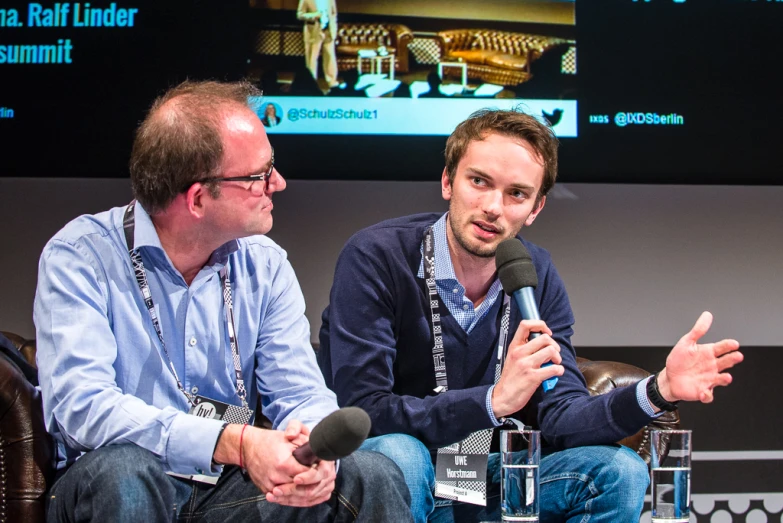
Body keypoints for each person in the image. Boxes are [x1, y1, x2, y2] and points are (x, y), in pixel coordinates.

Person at [317, 108, 744, 522]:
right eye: (479, 182)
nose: (493, 207)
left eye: (516, 193)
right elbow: (364, 408)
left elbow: (562, 414)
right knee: (399, 454)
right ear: (448, 181)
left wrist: (661, 388)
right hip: (402, 474)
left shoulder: (535, 274)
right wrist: (492, 402)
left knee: (619, 471)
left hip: (486, 480)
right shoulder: (377, 255)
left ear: (535, 208)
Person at [34, 80, 412, 523]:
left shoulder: (266, 265)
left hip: (226, 488)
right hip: (111, 480)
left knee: (371, 473)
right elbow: (84, 409)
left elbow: (299, 392)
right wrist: (236, 442)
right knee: (128, 472)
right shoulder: (81, 256)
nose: (279, 183)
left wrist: (316, 454)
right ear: (197, 198)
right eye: (258, 175)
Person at [297, 0, 340, 89]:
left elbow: (334, 13)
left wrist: (334, 30)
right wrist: (314, 15)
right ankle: (311, 83)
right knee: (312, 59)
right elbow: (300, 14)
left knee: (330, 57)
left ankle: (332, 81)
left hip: (328, 31)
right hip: (313, 32)